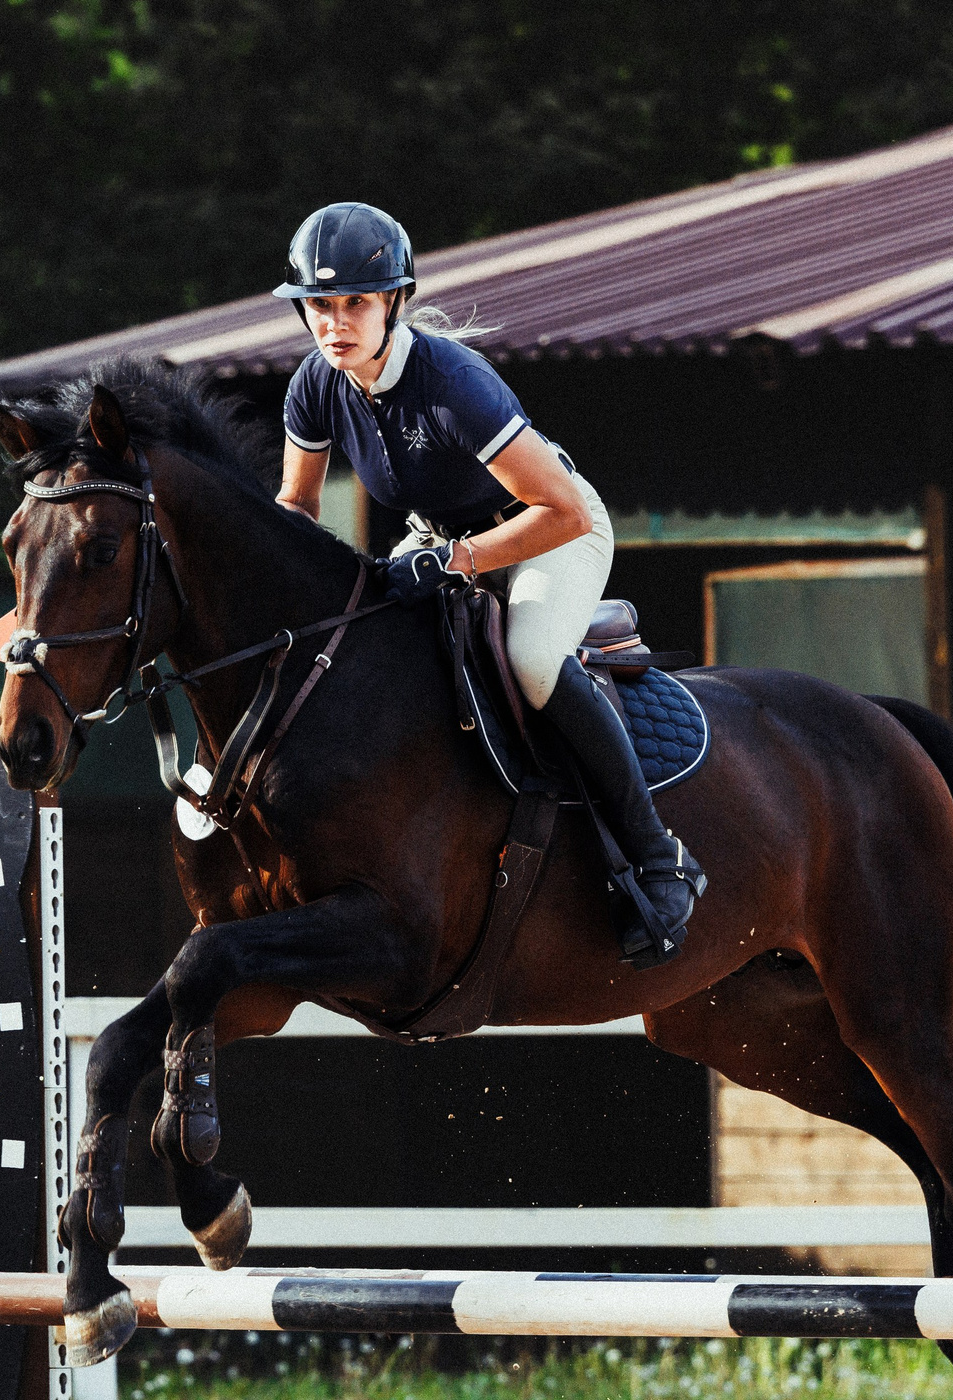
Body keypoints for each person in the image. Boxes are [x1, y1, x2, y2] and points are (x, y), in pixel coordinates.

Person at [270, 201, 706, 965]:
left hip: (547, 530)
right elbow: (297, 509)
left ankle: (659, 856)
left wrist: (459, 562)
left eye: (355, 304)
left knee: (533, 660)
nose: (334, 323)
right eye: (319, 305)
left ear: (394, 302)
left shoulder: (452, 383)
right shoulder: (315, 384)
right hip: (443, 538)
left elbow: (562, 510)